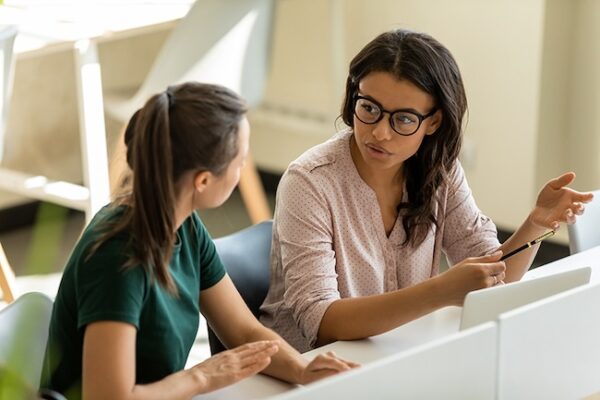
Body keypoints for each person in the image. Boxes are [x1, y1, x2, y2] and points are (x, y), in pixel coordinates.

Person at [259, 29, 594, 353]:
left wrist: (535, 224)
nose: (380, 133)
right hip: (310, 369)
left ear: (433, 121)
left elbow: (495, 280)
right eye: (369, 108)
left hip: (398, 351)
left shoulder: (440, 169)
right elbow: (320, 322)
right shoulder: (309, 181)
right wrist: (438, 292)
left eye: (403, 119)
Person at [41, 82, 357, 400]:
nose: (243, 167)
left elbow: (244, 332)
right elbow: (108, 398)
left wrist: (302, 369)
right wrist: (203, 377)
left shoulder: (184, 225)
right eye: (240, 159)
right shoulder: (117, 259)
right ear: (203, 180)